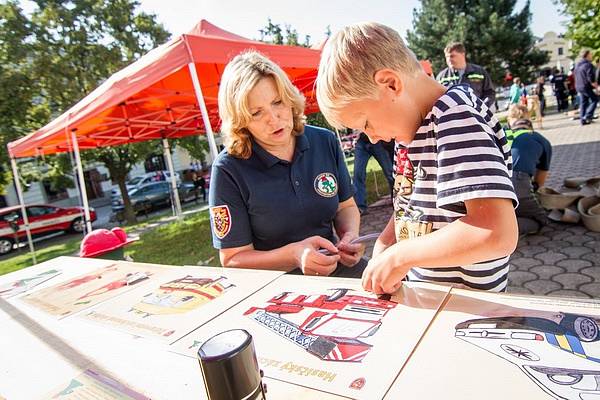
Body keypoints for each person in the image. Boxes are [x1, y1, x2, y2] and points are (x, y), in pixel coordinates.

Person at [316, 22, 518, 294]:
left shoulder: (455, 118)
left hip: (467, 304)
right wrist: (387, 243)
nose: (372, 138)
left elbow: (496, 232)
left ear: (391, 84)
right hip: (432, 294)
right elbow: (409, 204)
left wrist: (401, 256)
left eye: (366, 123)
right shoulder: (410, 130)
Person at [208, 51, 365, 278]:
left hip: (335, 266)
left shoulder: (324, 141)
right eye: (256, 113)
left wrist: (349, 235)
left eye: (277, 102)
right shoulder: (228, 169)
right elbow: (233, 259)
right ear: (240, 121)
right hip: (276, 286)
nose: (273, 118)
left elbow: (345, 207)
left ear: (290, 98)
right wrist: (294, 256)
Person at [505, 104, 551, 236]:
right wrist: (534, 189)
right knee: (540, 220)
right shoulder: (539, 139)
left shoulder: (500, 134)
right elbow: (541, 176)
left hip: (490, 184)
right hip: (517, 183)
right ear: (528, 118)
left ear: (509, 119)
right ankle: (501, 231)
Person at [436, 42, 495, 108]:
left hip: (479, 114)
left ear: (463, 54)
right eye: (446, 57)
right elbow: (437, 98)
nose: (449, 59)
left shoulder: (479, 72)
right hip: (454, 116)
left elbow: (490, 93)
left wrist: (483, 106)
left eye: (452, 56)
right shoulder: (442, 77)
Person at [352, 130, 394, 215]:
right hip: (361, 142)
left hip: (377, 140)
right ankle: (360, 207)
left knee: (390, 172)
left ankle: (398, 201)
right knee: (358, 174)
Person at [575, 49, 599, 125]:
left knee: (583, 103)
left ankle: (582, 120)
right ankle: (587, 116)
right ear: (587, 55)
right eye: (591, 54)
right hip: (586, 86)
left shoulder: (578, 64)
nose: (592, 55)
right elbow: (590, 77)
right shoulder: (588, 65)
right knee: (595, 99)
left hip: (578, 86)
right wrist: (596, 87)